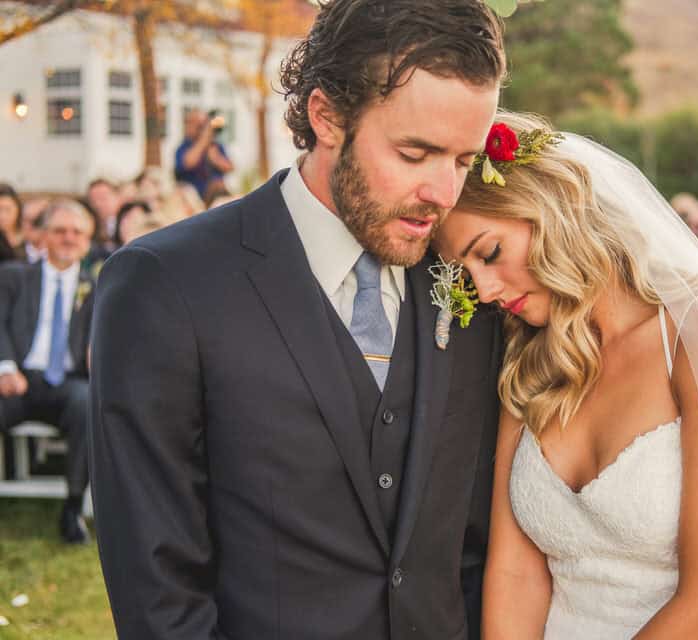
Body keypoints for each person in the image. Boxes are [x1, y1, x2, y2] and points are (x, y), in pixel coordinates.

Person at [90, 2, 506, 639]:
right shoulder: (165, 287)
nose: (443, 193)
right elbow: (157, 584)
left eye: (461, 160)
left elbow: (472, 548)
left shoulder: (473, 286)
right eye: (415, 153)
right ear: (327, 116)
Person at [435, 113, 698, 638]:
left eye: (489, 253)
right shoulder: (529, 361)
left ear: (550, 208)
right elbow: (516, 572)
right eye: (464, 273)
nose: (481, 289)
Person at [0, 199, 96, 543]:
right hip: (17, 379)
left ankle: (72, 509)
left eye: (76, 232)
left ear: (87, 241)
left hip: (69, 385)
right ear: (42, 237)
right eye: (59, 231)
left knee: (88, 405)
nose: (68, 238)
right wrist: (5, 367)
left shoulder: (97, 287)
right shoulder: (14, 277)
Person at [175, 109, 235, 202]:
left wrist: (216, 159)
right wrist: (204, 140)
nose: (201, 128)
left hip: (217, 196)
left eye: (203, 124)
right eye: (198, 125)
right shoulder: (183, 147)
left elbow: (230, 168)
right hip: (193, 198)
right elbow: (188, 163)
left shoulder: (215, 146)